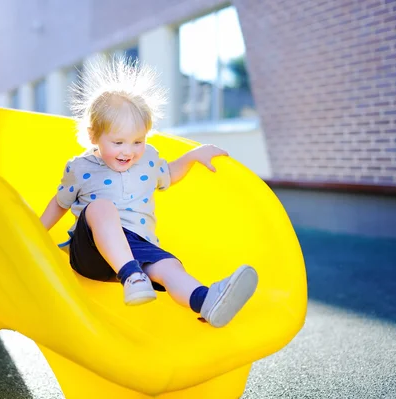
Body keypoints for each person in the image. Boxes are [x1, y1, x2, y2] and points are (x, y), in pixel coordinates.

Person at [40, 57, 258, 328]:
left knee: (169, 266)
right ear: (94, 135)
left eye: (137, 141)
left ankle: (206, 300)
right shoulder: (81, 167)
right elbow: (60, 203)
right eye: (118, 142)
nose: (128, 151)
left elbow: (169, 174)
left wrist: (191, 157)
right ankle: (131, 275)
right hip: (92, 252)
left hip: (139, 245)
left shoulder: (149, 159)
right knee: (100, 207)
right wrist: (35, 232)